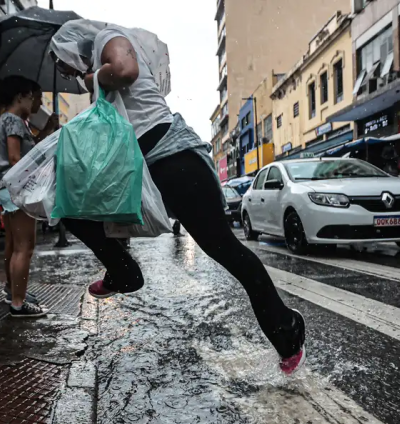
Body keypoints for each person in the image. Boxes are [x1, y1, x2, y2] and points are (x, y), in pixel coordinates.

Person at [49, 20, 306, 374]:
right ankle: (123, 271)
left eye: (65, 65)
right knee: (68, 204)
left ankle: (287, 330)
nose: (69, 74)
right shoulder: (97, 65)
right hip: (146, 168)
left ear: (72, 49)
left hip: (175, 161)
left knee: (225, 250)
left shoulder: (108, 39)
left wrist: (93, 80)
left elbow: (125, 70)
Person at [0, 76, 59, 318]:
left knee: (13, 245)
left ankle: (12, 291)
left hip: (7, 190)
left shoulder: (6, 120)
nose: (34, 103)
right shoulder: (15, 121)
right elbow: (17, 159)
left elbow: (24, 153)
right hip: (17, 191)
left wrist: (48, 130)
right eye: (32, 97)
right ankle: (18, 303)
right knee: (24, 247)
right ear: (20, 96)